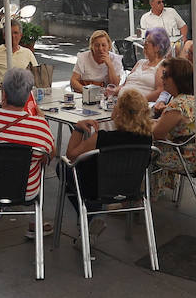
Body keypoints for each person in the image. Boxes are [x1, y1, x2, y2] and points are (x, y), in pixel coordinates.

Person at [0, 68, 55, 242]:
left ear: (3, 93)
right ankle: (33, 222)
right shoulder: (40, 126)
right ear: (29, 95)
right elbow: (50, 154)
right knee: (37, 166)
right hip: (25, 191)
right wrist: (39, 115)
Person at [63, 88, 155, 217]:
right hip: (130, 188)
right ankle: (90, 213)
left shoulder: (102, 137)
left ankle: (89, 214)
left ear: (120, 112)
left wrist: (78, 128)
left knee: (63, 167)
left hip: (97, 189)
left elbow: (71, 155)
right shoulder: (147, 138)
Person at [150, 57, 196, 196]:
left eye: (165, 75)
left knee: (137, 149)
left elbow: (156, 134)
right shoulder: (194, 99)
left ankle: (133, 199)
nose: (161, 77)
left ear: (177, 79)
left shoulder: (177, 105)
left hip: (185, 159)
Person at [120, 27, 169, 100]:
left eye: (147, 42)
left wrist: (140, 101)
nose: (144, 44)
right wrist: (113, 91)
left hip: (140, 106)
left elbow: (160, 91)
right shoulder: (140, 62)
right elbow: (124, 85)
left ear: (157, 47)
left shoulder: (162, 65)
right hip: (122, 101)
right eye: (144, 41)